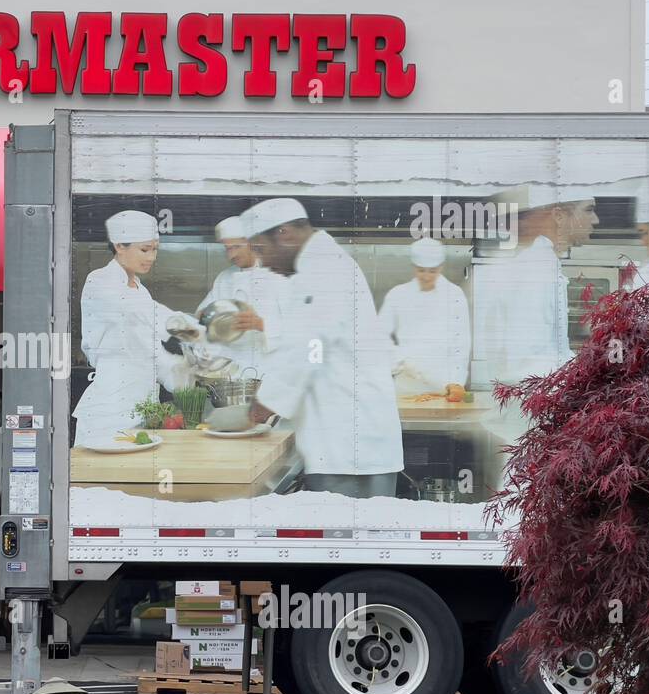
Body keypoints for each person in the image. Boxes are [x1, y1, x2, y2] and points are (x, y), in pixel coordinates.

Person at [243, 198, 404, 499]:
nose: (263, 263)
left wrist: (267, 401)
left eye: (262, 251)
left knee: (347, 541)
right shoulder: (320, 265)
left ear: (284, 233)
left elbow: (312, 345)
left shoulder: (323, 268)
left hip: (350, 445)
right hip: (349, 439)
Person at [73, 209, 199, 446]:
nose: (151, 257)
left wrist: (190, 374)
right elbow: (144, 314)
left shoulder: (141, 290)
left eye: (155, 250)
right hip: (108, 412)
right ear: (119, 245)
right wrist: (197, 332)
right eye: (144, 249)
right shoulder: (99, 281)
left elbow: (151, 353)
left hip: (141, 410)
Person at [474, 188, 599, 385]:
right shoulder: (537, 268)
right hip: (532, 402)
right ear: (558, 216)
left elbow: (551, 351)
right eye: (589, 210)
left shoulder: (544, 261)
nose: (596, 220)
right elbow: (530, 358)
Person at [196, 213, 291, 372]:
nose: (231, 255)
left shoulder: (281, 276)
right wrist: (208, 318)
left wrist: (261, 324)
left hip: (270, 368)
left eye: (236, 247)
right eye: (227, 248)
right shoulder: (225, 278)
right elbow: (202, 313)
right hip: (232, 368)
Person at [377, 237, 471, 394]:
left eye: (432, 271)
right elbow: (377, 335)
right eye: (421, 270)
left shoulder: (454, 295)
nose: (426, 276)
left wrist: (457, 381)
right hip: (407, 382)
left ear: (441, 267)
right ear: (413, 267)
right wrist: (399, 361)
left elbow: (461, 343)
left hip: (445, 382)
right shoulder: (398, 295)